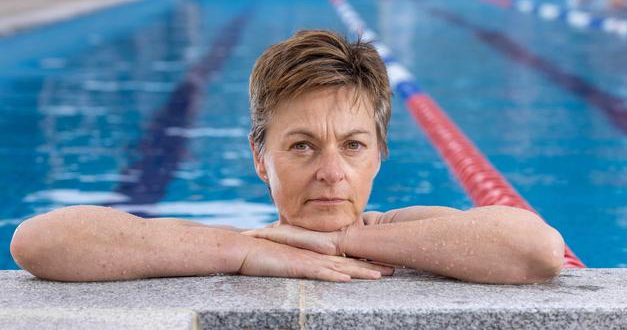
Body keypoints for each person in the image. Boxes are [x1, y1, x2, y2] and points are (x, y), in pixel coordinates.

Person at [10, 30, 565, 284]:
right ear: (260, 156)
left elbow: (537, 248)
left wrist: (343, 240)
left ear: (379, 156)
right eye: (301, 146)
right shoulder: (237, 245)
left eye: (353, 146)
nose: (331, 173)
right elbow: (39, 241)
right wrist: (241, 254)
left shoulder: (410, 231)